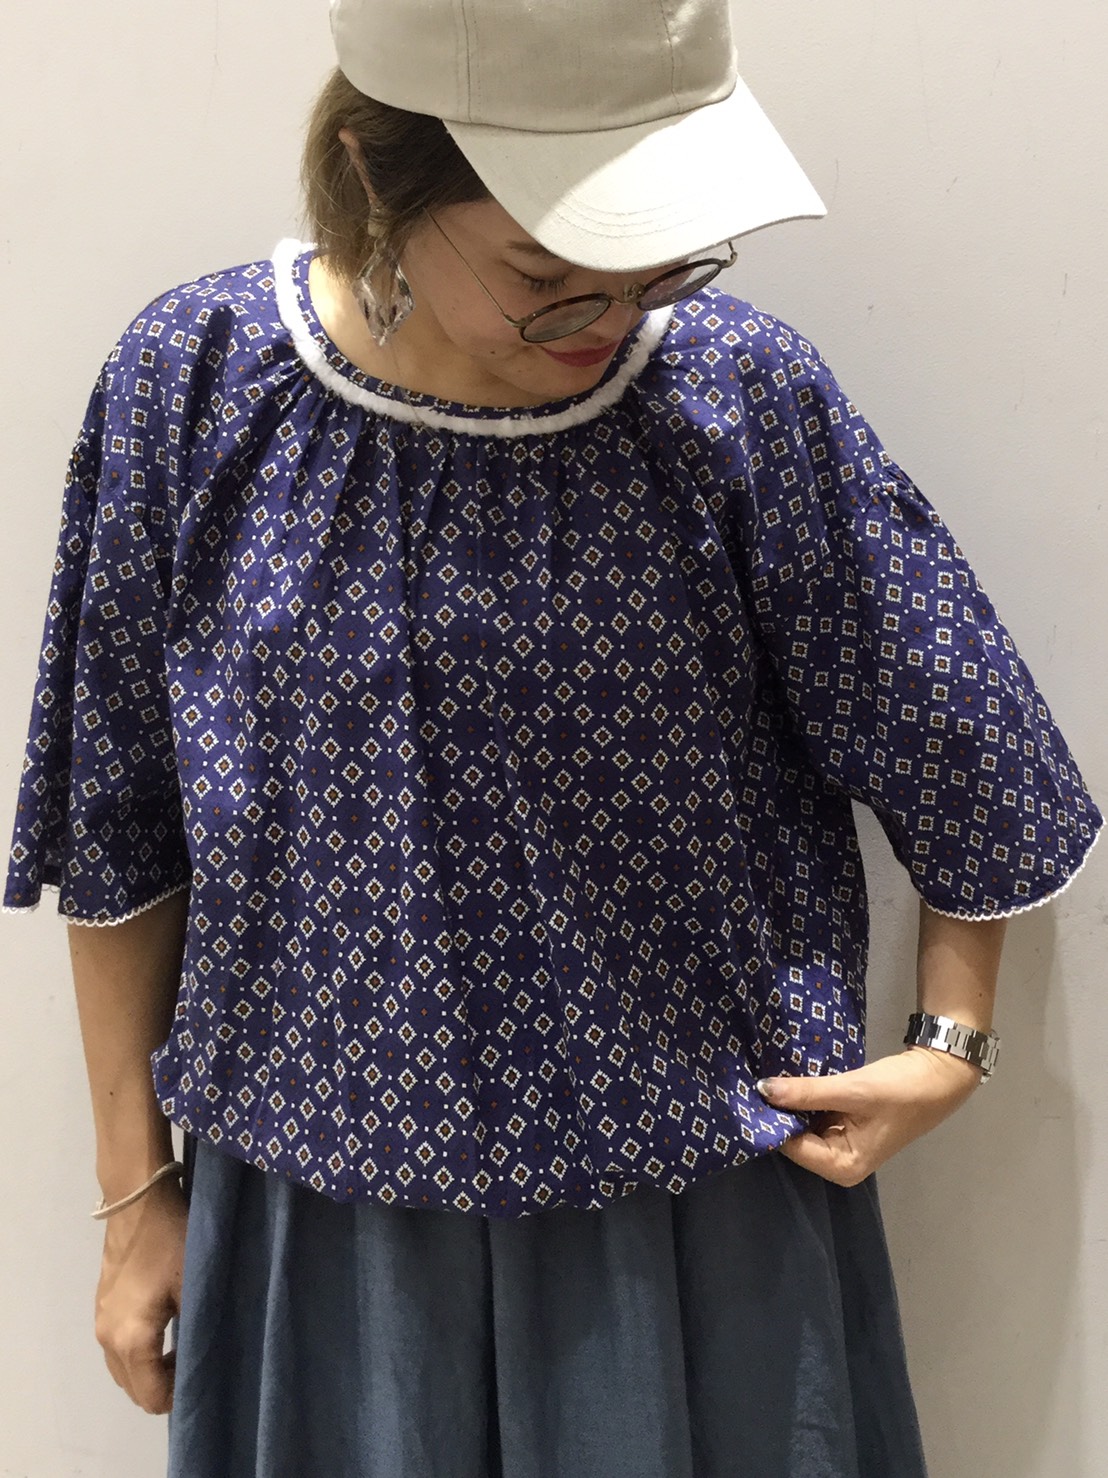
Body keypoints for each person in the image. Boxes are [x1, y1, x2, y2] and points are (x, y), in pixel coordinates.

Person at [4, 0, 1101, 1474]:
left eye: (658, 264)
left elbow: (964, 742)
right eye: (546, 275)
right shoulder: (193, 385)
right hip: (325, 1223)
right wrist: (136, 1197)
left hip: (691, 1217)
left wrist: (951, 1043)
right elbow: (119, 822)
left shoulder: (736, 398)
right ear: (372, 172)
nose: (609, 316)